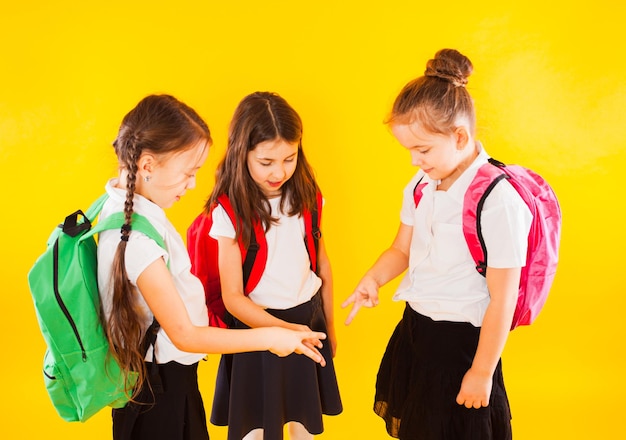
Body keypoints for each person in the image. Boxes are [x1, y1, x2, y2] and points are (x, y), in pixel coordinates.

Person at [96, 94, 327, 440]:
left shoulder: (131, 213)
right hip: (158, 389)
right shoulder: (138, 243)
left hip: (165, 380)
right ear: (147, 166)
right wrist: (273, 336)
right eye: (188, 172)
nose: (192, 184)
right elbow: (185, 335)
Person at [342, 49, 533, 440]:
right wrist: (374, 278)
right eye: (408, 150)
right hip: (417, 329)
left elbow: (503, 299)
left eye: (423, 149)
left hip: (463, 345)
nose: (414, 160)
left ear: (460, 136)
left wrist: (481, 373)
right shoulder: (420, 186)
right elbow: (401, 249)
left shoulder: (497, 200)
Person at [206, 91, 342, 440]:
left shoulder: (308, 194)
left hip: (307, 323)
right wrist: (279, 333)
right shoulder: (229, 210)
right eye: (266, 162)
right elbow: (233, 296)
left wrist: (330, 329)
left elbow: (321, 265)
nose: (279, 171)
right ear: (242, 153)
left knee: (303, 429)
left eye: (289, 158)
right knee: (253, 431)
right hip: (256, 331)